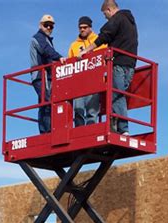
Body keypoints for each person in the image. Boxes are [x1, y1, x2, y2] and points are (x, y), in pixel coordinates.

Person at [79, 1, 138, 135]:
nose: (105, 17)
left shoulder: (117, 19)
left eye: (105, 14)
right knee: (117, 94)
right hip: (131, 64)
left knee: (116, 94)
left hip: (118, 62)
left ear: (109, 10)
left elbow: (104, 36)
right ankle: (116, 126)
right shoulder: (131, 22)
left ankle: (123, 129)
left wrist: (87, 50)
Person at [30, 14, 65, 134]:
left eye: (51, 26)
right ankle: (47, 132)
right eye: (46, 25)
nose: (49, 28)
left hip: (46, 76)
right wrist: (60, 58)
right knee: (48, 102)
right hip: (41, 76)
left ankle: (46, 130)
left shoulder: (46, 39)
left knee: (44, 102)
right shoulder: (38, 38)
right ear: (40, 25)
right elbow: (46, 50)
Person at [68, 16, 105, 127]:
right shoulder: (74, 45)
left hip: (94, 81)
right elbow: (70, 62)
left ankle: (91, 131)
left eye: (85, 27)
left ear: (90, 27)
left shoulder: (99, 41)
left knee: (92, 111)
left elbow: (105, 58)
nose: (82, 30)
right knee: (78, 110)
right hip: (79, 82)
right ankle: (79, 131)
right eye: (80, 28)